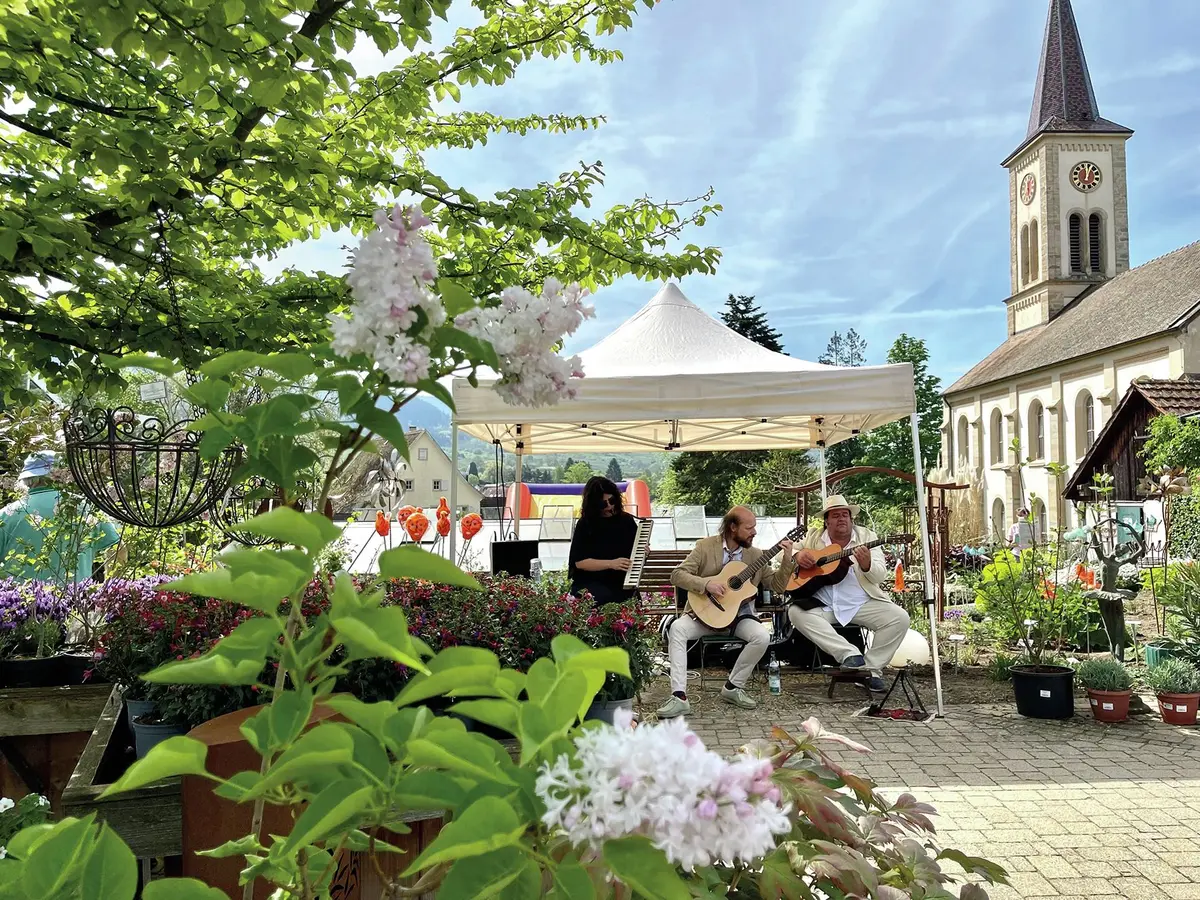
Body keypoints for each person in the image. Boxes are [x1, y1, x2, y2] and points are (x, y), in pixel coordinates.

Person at [656, 506, 795, 718]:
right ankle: (679, 697)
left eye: (755, 527)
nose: (754, 532)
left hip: (738, 617)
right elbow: (677, 575)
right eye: (749, 528)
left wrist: (787, 559)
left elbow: (777, 586)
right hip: (705, 614)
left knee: (761, 636)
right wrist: (706, 584)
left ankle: (732, 687)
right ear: (732, 527)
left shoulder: (755, 555)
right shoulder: (705, 547)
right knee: (677, 629)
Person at [789, 495, 910, 693]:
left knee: (899, 618)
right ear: (826, 520)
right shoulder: (813, 536)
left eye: (845, 514)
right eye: (835, 515)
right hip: (824, 603)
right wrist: (797, 555)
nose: (842, 519)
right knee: (795, 612)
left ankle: (870, 671)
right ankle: (849, 654)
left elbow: (879, 575)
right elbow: (783, 550)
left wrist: (867, 564)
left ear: (851, 519)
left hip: (861, 602)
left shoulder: (867, 537)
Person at [0, 451, 121, 583]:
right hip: (77, 600)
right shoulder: (86, 507)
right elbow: (118, 548)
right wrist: (109, 592)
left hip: (17, 600)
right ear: (62, 474)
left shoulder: (7, 514)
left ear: (26, 479)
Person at [567, 475, 639, 605]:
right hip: (591, 584)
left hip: (622, 583)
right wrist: (611, 563)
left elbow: (634, 553)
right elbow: (579, 562)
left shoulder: (627, 520)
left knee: (632, 602)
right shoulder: (585, 524)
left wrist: (642, 551)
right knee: (602, 597)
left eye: (612, 500)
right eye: (603, 504)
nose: (609, 506)